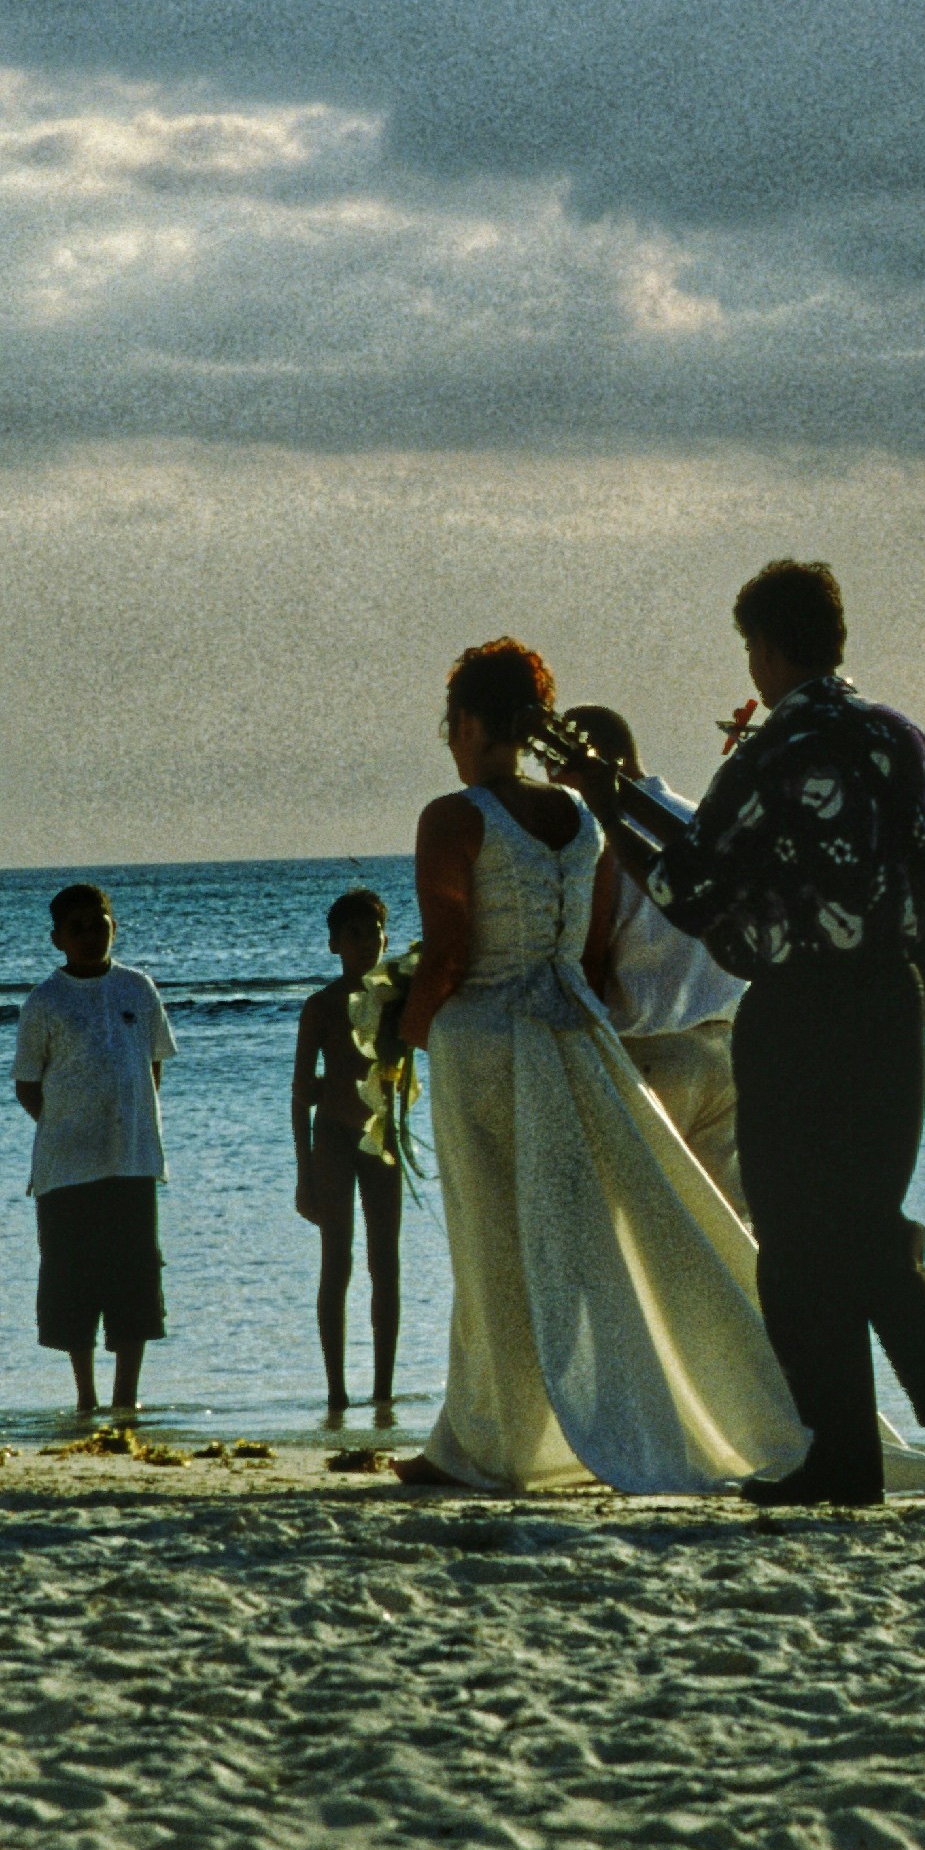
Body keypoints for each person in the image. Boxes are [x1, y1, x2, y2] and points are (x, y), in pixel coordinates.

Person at [576, 560, 925, 1506]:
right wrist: (881, 882)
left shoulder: (769, 753)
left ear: (765, 648)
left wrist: (612, 810)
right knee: (862, 1217)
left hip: (798, 1005)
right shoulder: (897, 737)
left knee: (800, 1242)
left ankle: (862, 1438)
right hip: (891, 1000)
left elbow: (688, 887)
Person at [393, 640, 807, 1496]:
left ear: (467, 723)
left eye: (454, 724)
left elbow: (447, 953)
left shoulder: (453, 816)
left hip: (483, 1039)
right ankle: (522, 1427)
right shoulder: (584, 820)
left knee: (489, 1241)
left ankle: (486, 1441)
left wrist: (404, 1031)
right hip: (570, 1034)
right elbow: (582, 955)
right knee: (564, 1238)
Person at [556, 704, 752, 1212]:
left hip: (646, 1057)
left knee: (644, 1234)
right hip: (724, 1052)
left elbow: (591, 955)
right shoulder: (699, 821)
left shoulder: (598, 838)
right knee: (731, 1228)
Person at [18, 884, 176, 1427]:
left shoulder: (139, 988)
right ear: (57, 937)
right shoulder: (45, 1001)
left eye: (99, 923)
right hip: (65, 1167)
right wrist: (68, 1127)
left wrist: (127, 1125)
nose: (90, 935)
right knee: (71, 1280)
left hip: (131, 1159)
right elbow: (27, 1086)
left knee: (135, 1277)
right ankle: (85, 1397)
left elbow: (152, 1068)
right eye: (77, 927)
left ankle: (126, 1397)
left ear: (114, 927)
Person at [290, 888, 405, 1426]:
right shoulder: (321, 1004)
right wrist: (303, 1173)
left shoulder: (396, 997)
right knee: (337, 1260)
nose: (365, 943)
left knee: (387, 1263)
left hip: (382, 1139)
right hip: (333, 1138)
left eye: (374, 933)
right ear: (335, 943)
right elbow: (298, 1091)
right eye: (353, 935)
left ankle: (383, 1390)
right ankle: (336, 1392)